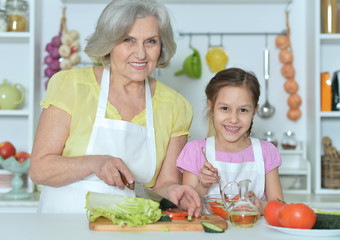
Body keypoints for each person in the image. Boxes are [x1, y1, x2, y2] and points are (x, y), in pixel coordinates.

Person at [30, 0, 201, 216]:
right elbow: (39, 170)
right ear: (109, 43)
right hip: (62, 223)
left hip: (127, 226)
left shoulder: (175, 106)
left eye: (150, 41)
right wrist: (94, 164)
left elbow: (164, 184)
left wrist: (176, 192)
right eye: (128, 40)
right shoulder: (72, 86)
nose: (141, 54)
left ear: (161, 46)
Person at [176, 68, 283, 215]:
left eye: (243, 110)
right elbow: (186, 206)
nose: (233, 119)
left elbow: (280, 207)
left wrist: (261, 207)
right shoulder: (194, 150)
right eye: (225, 108)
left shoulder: (266, 152)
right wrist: (204, 185)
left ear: (254, 111)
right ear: (211, 107)